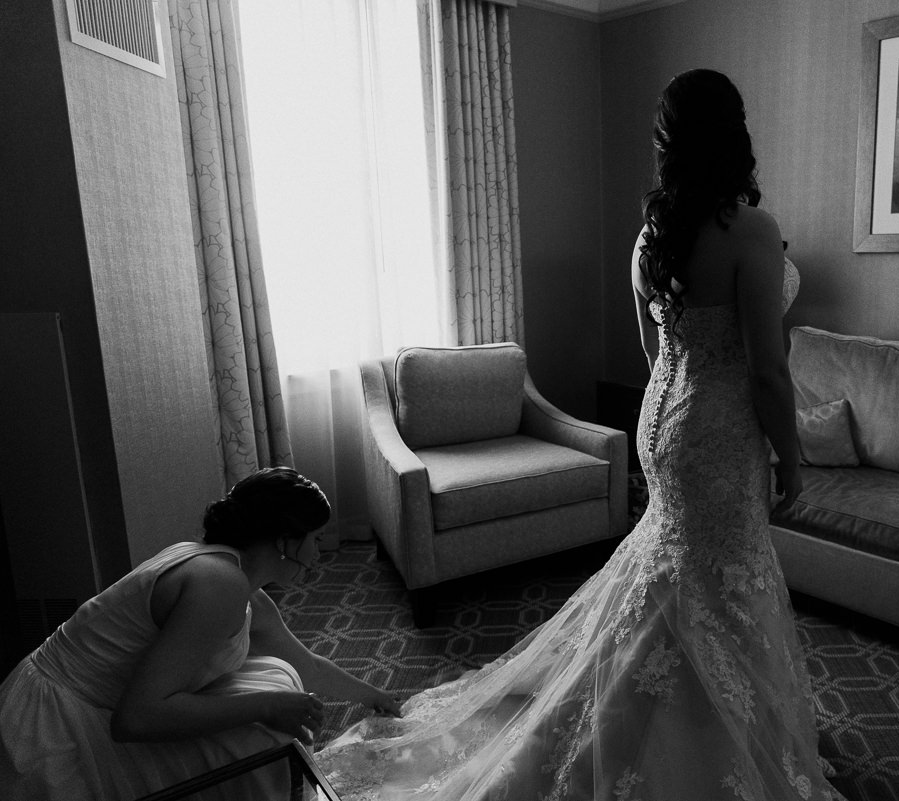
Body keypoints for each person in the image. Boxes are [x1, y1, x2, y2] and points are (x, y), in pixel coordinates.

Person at [314, 69, 843, 801]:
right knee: (720, 573)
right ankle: (705, 732)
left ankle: (673, 708)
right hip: (720, 432)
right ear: (735, 133)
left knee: (674, 568)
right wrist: (791, 455)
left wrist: (680, 408)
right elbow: (768, 373)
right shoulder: (749, 229)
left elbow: (653, 354)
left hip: (663, 419)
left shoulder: (652, 234)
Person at [0, 467, 400, 800]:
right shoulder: (217, 583)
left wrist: (376, 697)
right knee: (269, 728)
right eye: (314, 539)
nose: (319, 553)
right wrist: (266, 706)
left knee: (279, 673)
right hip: (59, 723)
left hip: (96, 698)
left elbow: (308, 665)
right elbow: (135, 719)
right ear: (284, 541)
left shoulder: (242, 587)